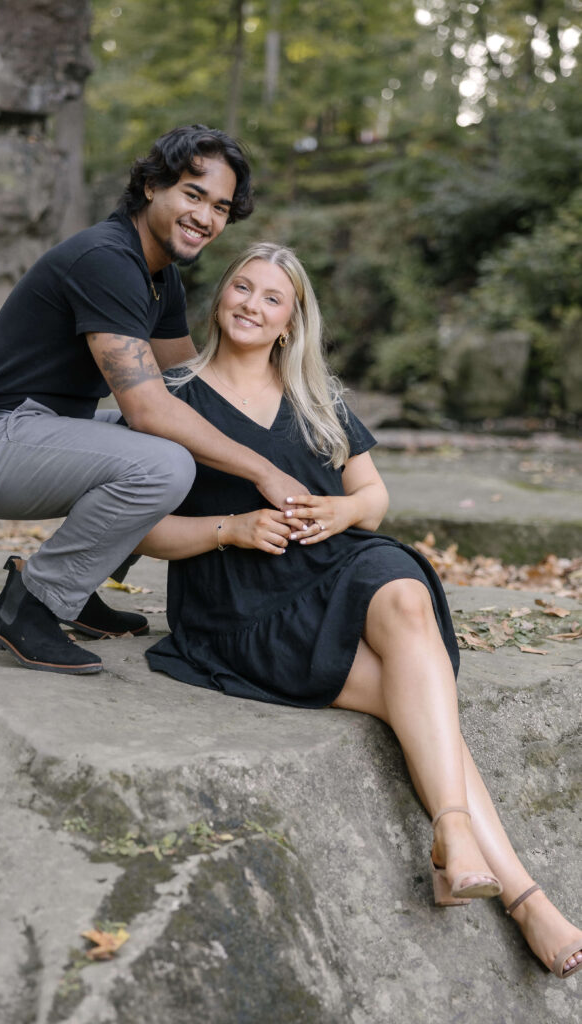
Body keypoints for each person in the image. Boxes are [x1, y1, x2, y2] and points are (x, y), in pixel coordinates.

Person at [135, 241, 582, 980]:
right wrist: (230, 528)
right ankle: (520, 891)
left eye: (270, 298)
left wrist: (342, 511)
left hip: (333, 568)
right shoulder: (171, 397)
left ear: (290, 319)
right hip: (241, 608)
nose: (250, 304)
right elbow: (143, 532)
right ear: (221, 299)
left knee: (402, 586)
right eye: (240, 288)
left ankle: (457, 838)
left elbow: (373, 500)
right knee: (413, 704)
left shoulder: (315, 396)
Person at [0, 125, 309, 676]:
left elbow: (192, 392)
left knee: (194, 441)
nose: (206, 218)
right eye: (193, 194)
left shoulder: (162, 279)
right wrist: (264, 472)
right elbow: (150, 410)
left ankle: (74, 588)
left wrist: (293, 439)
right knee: (166, 459)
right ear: (152, 186)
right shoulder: (107, 260)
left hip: (41, 433)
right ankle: (30, 605)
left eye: (221, 207)